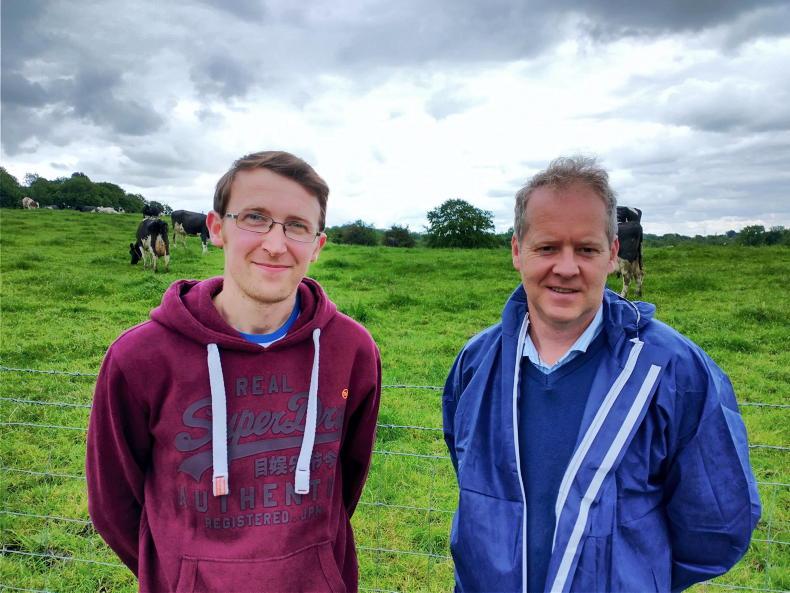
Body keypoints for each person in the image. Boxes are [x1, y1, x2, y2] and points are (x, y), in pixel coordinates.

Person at [442, 156, 760, 593]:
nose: (567, 268)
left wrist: (637, 575)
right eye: (548, 247)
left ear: (612, 253)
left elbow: (717, 523)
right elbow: (468, 475)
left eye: (586, 249)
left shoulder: (672, 370)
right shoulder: (477, 363)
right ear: (517, 251)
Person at [87, 151, 381, 592]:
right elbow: (113, 503)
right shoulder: (139, 357)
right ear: (217, 227)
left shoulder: (352, 350)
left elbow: (347, 479)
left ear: (317, 245)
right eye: (255, 218)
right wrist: (179, 572)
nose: (276, 244)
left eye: (297, 226)